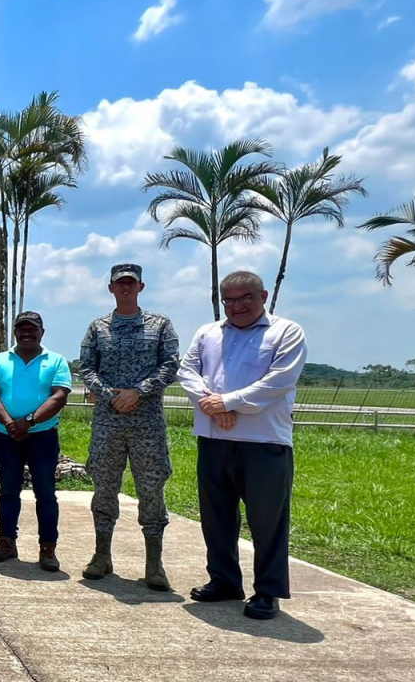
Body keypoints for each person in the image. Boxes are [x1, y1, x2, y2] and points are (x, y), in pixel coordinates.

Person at [178, 270, 307, 620]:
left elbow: (279, 382)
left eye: (245, 297)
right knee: (215, 517)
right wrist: (213, 403)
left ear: (263, 296)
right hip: (214, 439)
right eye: (230, 300)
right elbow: (187, 370)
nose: (237, 306)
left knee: (268, 521)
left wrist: (228, 402)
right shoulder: (207, 333)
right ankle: (223, 581)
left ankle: (268, 591)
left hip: (264, 442)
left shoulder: (286, 332)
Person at [77, 264, 179, 590]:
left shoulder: (160, 325)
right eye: (119, 283)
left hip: (147, 421)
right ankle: (101, 555)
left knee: (151, 489)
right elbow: (86, 367)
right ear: (111, 288)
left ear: (141, 287)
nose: (125, 288)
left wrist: (140, 391)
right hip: (108, 420)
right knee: (104, 487)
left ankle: (154, 564)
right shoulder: (98, 328)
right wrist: (110, 395)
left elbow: (171, 364)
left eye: (130, 284)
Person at [0, 311, 72, 571]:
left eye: (32, 329)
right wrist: (11, 423)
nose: (26, 333)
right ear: (14, 332)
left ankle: (48, 548)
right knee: (8, 491)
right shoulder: (0, 360)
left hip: (42, 436)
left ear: (41, 332)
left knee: (45, 494)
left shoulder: (55, 360)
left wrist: (29, 421)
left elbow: (59, 397)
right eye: (21, 328)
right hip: (6, 435)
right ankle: (7, 542)